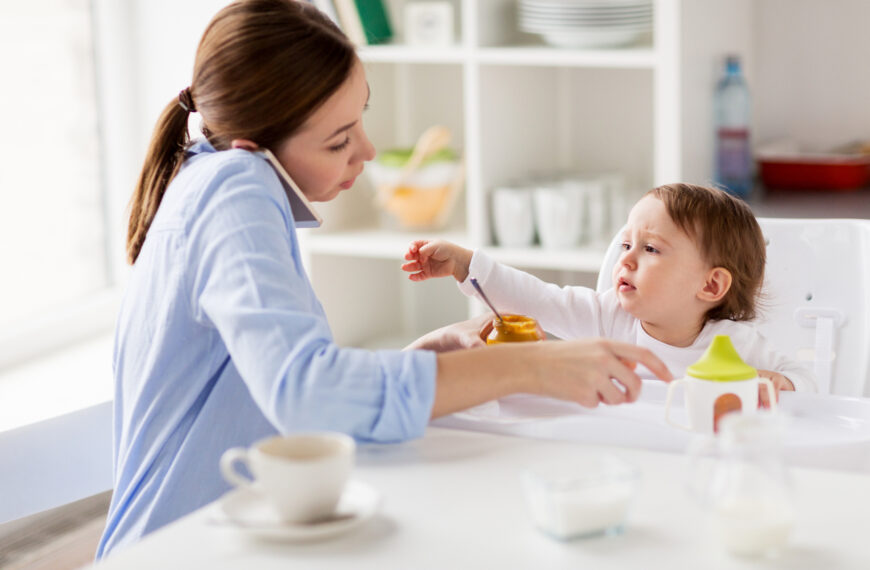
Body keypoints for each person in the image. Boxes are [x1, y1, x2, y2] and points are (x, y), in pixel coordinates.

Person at [97, 0, 672, 558]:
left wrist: (424, 363)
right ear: (254, 145)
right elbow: (308, 394)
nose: (366, 152)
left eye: (360, 121)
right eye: (338, 141)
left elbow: (274, 389)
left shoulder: (213, 178)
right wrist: (530, 366)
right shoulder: (236, 191)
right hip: (184, 546)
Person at [403, 183, 817, 404]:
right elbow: (537, 300)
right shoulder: (608, 318)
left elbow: (814, 386)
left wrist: (783, 384)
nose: (627, 260)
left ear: (710, 285)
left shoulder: (738, 347)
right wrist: (467, 264)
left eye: (650, 249)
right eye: (625, 244)